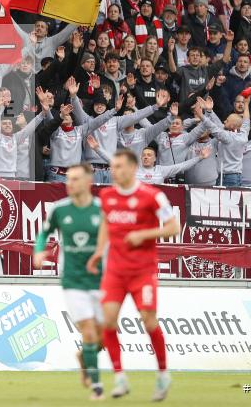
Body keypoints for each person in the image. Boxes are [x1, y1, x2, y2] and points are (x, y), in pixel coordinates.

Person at [87, 149, 179, 401]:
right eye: (112, 167)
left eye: (118, 167)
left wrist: (144, 235)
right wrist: (98, 252)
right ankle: (119, 377)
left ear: (132, 168)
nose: (113, 171)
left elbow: (174, 227)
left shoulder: (152, 196)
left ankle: (162, 373)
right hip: (115, 271)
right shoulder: (107, 196)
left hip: (142, 271)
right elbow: (106, 223)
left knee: (149, 321)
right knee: (107, 321)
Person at [34, 162, 104, 400]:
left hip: (101, 280)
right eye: (67, 179)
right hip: (73, 279)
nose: (69, 184)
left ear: (88, 183)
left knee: (102, 336)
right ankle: (96, 386)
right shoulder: (59, 209)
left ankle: (85, 357)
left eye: (74, 179)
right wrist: (39, 250)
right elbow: (44, 233)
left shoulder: (101, 210)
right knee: (90, 333)